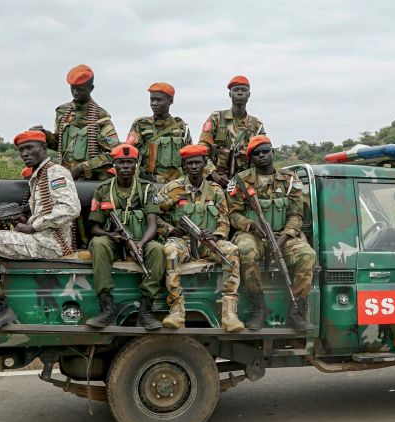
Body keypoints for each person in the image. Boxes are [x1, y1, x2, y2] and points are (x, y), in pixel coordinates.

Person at [0, 131, 80, 336]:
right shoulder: (38, 176)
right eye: (21, 150)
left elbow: (70, 209)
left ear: (44, 148)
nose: (25, 153)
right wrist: (25, 222)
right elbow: (46, 212)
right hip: (41, 239)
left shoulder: (55, 172)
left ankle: (0, 308)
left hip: (51, 245)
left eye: (30, 148)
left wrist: (34, 226)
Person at [227, 135, 315, 331]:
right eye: (256, 154)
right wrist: (251, 226)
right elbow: (233, 214)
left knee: (307, 254)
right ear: (251, 158)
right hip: (253, 235)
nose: (261, 156)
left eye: (265, 151)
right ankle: (259, 308)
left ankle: (296, 312)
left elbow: (296, 215)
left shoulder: (290, 180)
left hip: (282, 236)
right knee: (246, 250)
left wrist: (282, 239)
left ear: (273, 152)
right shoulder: (241, 181)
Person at [158, 145, 244, 332]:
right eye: (190, 163)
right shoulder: (172, 189)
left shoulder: (215, 190)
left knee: (231, 251)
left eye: (198, 162)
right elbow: (154, 216)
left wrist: (217, 234)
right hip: (183, 242)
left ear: (205, 164)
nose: (194, 166)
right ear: (183, 166)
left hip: (207, 243)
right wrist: (171, 230)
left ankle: (229, 313)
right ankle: (176, 310)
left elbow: (224, 220)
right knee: (170, 251)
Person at [85, 144, 165, 329]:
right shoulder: (103, 189)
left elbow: (153, 225)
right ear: (115, 164)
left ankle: (145, 310)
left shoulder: (146, 189)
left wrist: (141, 243)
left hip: (141, 241)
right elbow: (94, 228)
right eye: (121, 163)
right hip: (114, 242)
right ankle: (106, 308)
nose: (126, 167)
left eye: (130, 162)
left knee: (158, 249)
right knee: (98, 243)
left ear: (136, 164)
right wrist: (110, 235)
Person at [32, 64, 120, 180]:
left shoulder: (101, 117)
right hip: (65, 178)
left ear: (91, 88)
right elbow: (58, 144)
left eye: (80, 89)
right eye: (72, 88)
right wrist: (44, 135)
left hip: (91, 180)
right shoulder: (63, 112)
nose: (75, 92)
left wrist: (82, 168)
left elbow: (114, 154)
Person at [198, 75, 265, 187]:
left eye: (243, 90)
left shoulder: (256, 125)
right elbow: (202, 148)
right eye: (235, 90)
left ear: (249, 95)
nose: (239, 93)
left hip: (244, 183)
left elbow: (263, 153)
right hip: (215, 182)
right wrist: (212, 172)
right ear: (230, 94)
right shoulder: (217, 118)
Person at [125, 82, 192, 184]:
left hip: (176, 183)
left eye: (159, 100)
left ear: (170, 101)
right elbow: (127, 152)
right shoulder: (141, 124)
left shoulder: (180, 125)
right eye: (152, 99)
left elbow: (189, 153)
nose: (154, 103)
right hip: (148, 181)